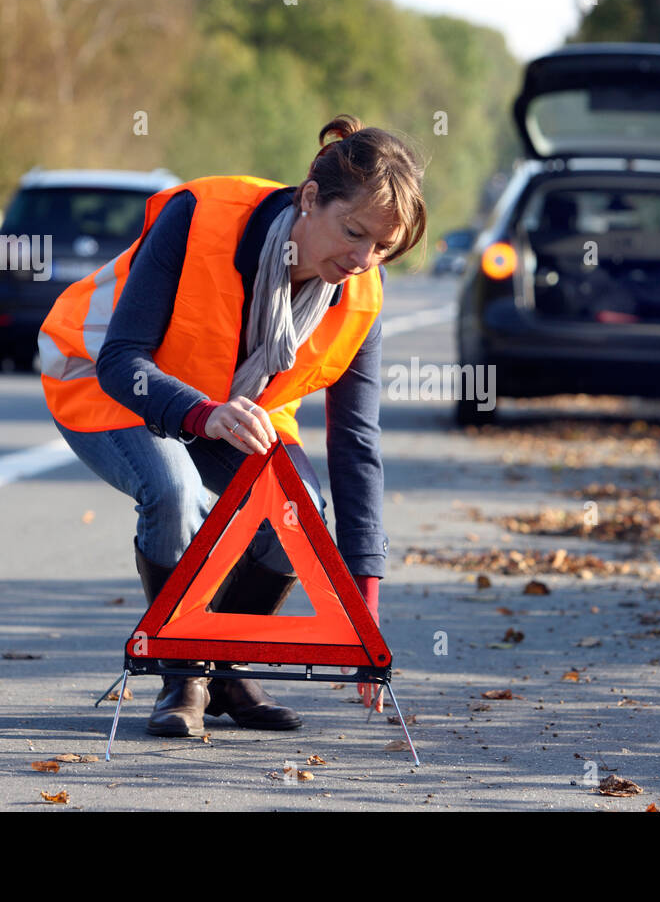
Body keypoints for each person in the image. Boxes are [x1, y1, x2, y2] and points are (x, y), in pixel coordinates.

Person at [37, 115, 426, 737]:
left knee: (302, 515)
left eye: (382, 248)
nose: (362, 261)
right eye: (353, 233)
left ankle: (223, 664)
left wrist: (364, 600)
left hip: (234, 410)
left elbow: (356, 441)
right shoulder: (198, 216)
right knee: (174, 490)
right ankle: (183, 674)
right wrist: (205, 415)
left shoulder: (362, 297)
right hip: (107, 382)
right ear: (309, 198)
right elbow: (121, 363)